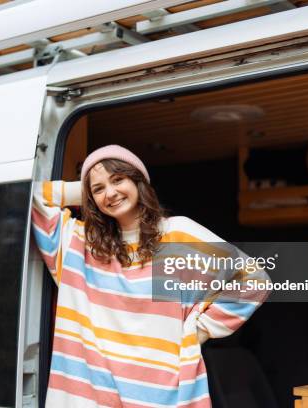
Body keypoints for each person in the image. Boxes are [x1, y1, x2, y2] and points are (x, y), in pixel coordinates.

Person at [31, 144, 270, 408]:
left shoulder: (177, 235)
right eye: (98, 189)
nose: (110, 193)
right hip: (92, 398)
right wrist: (86, 185)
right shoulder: (80, 244)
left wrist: (200, 330)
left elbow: (255, 280)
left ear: (137, 180)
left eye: (118, 179)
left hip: (163, 396)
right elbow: (33, 197)